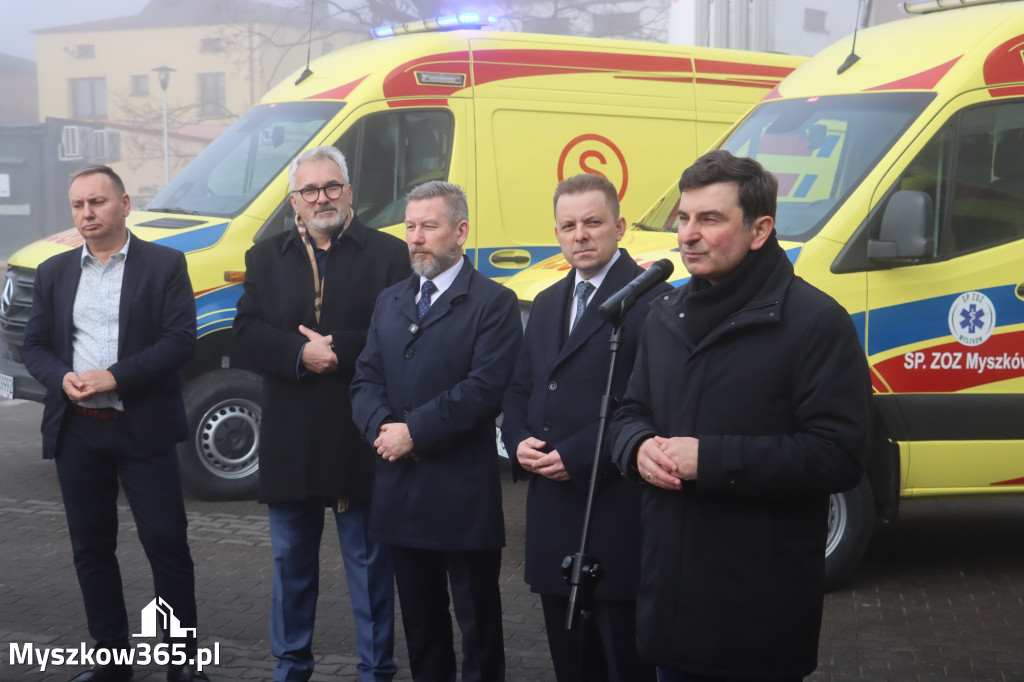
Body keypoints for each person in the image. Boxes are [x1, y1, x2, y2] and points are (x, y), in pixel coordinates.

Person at [609, 150, 871, 682]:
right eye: (682, 218)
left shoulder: (816, 322)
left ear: (760, 229)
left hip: (756, 618)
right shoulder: (664, 314)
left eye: (710, 219)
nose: (687, 235)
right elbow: (628, 411)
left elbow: (838, 454)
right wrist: (635, 447)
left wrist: (711, 459)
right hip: (670, 607)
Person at [22, 165, 208, 682]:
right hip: (77, 430)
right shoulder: (55, 271)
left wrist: (113, 377)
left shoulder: (165, 264)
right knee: (91, 549)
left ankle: (181, 664)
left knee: (167, 544)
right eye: (79, 205)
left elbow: (179, 342)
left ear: (125, 204)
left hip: (140, 427)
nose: (87, 213)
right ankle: (110, 658)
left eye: (98, 202)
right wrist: (61, 377)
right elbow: (33, 345)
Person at [233, 146, 408, 682]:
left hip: (359, 432)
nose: (321, 198)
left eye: (331, 187)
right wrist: (298, 354)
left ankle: (376, 670)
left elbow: (400, 333)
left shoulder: (389, 254)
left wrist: (341, 349)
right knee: (291, 566)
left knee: (370, 567)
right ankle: (291, 668)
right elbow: (244, 334)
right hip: (291, 435)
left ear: (349, 192)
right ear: (294, 201)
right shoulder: (265, 256)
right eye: (309, 190)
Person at [350, 180, 522, 682]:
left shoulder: (494, 302)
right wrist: (382, 428)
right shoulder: (390, 300)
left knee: (478, 626)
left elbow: (484, 388)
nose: (416, 237)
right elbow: (365, 377)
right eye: (410, 226)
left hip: (461, 493)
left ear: (461, 232)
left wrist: (414, 433)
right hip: (401, 488)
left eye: (429, 226)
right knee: (421, 625)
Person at [500, 173, 665, 682]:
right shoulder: (548, 301)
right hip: (553, 515)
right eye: (568, 225)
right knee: (570, 661)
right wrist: (517, 441)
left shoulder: (650, 305)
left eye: (593, 223)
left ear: (619, 227)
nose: (581, 235)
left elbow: (649, 406)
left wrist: (575, 455)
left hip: (613, 510)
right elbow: (520, 387)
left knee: (622, 660)